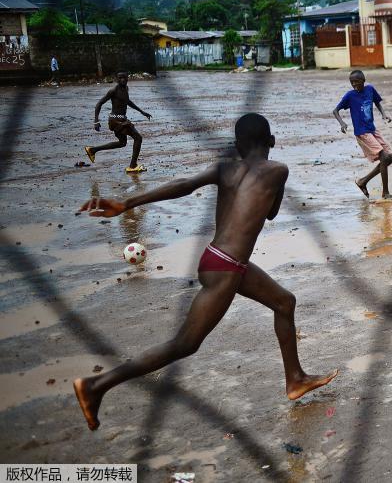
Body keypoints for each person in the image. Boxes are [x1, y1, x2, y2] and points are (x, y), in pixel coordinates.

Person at [72, 113, 338, 430]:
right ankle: (96, 386)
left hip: (221, 259)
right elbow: (271, 214)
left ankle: (295, 379)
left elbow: (183, 185)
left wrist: (128, 203)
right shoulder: (277, 170)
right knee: (184, 344)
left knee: (284, 302)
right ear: (271, 141)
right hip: (227, 267)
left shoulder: (225, 169)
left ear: (237, 144)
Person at [333, 70, 392, 201]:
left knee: (390, 158)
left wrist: (383, 114)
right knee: (384, 156)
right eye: (352, 82)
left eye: (357, 81)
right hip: (362, 132)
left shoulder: (370, 89)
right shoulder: (350, 96)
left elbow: (377, 102)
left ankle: (363, 181)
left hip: (372, 129)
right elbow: (335, 111)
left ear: (364, 80)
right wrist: (342, 123)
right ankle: (385, 193)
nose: (354, 84)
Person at [84, 72, 151, 173]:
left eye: (124, 78)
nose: (122, 80)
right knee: (138, 138)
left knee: (122, 143)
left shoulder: (126, 89)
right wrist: (96, 121)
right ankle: (133, 166)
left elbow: (127, 101)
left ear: (127, 78)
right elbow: (99, 103)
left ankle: (92, 150)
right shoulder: (113, 91)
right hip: (116, 120)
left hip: (122, 119)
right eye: (120, 78)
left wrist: (142, 111)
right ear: (117, 79)